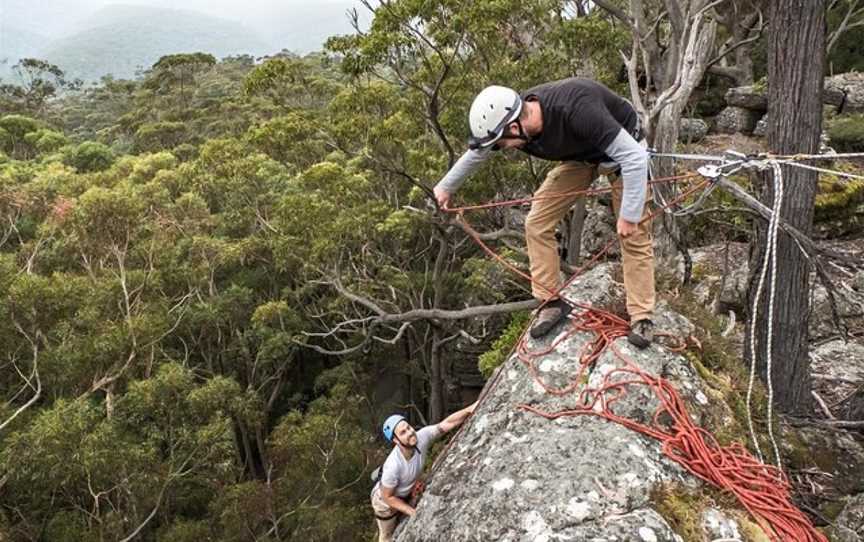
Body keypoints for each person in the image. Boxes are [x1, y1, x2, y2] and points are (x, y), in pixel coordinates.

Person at [434, 77, 655, 347]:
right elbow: (478, 153)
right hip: (582, 157)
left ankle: (642, 318)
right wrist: (446, 187)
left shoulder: (576, 109)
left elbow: (634, 157)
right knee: (537, 222)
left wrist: (629, 215)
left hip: (625, 155)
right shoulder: (519, 121)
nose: (500, 149)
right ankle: (551, 301)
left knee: (633, 236)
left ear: (514, 126)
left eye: (500, 143)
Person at [370, 401, 477, 542]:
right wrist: (412, 512)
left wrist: (470, 409)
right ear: (395, 440)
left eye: (408, 427)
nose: (410, 433)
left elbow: (446, 424)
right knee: (387, 536)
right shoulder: (393, 466)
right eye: (403, 432)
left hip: (403, 492)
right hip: (384, 503)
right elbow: (387, 497)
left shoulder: (421, 437)